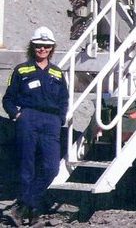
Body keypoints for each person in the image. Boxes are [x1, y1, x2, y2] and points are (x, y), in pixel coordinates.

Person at [3, 27, 67, 226]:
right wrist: (18, 115)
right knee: (27, 168)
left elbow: (64, 99)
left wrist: (60, 119)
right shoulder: (21, 70)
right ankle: (31, 212)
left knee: (51, 168)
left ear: (51, 48)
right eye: (39, 45)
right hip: (28, 119)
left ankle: (21, 206)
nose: (42, 49)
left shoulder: (57, 72)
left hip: (51, 122)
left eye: (46, 46)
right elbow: (8, 99)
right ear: (33, 46)